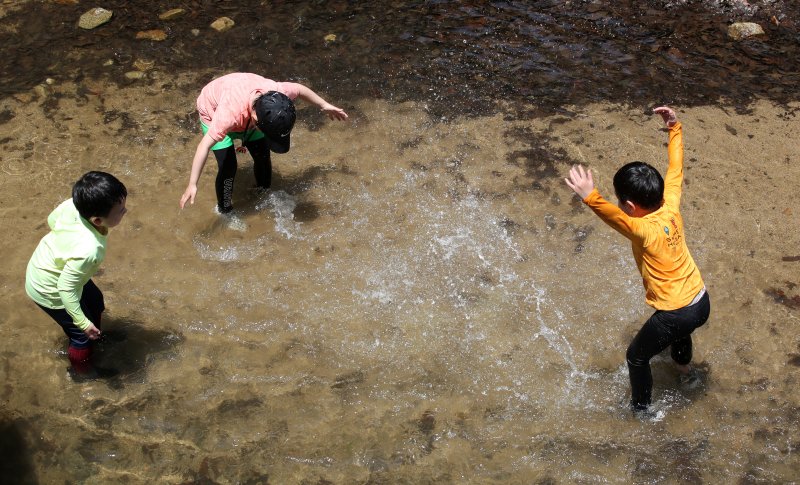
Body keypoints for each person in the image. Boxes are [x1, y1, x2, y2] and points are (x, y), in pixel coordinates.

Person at [564, 106, 710, 414]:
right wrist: (674, 128)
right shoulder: (671, 204)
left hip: (676, 311)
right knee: (681, 333)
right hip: (700, 300)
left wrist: (590, 196)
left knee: (636, 356)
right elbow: (675, 169)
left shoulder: (641, 229)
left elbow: (614, 218)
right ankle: (686, 375)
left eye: (621, 202)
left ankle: (641, 410)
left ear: (630, 205)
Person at [179, 72, 349, 214]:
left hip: (247, 108)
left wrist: (324, 105)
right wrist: (192, 184)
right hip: (213, 109)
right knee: (229, 166)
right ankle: (225, 211)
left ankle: (262, 192)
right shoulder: (227, 116)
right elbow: (204, 145)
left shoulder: (277, 96)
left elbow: (298, 88)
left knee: (262, 155)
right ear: (255, 119)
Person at [25, 171, 128, 379]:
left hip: (53, 267)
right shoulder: (89, 250)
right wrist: (83, 323)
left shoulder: (74, 204)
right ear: (98, 220)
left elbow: (52, 219)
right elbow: (65, 288)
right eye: (120, 211)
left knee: (96, 300)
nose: (126, 210)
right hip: (50, 289)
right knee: (80, 335)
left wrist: (65, 244)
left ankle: (97, 336)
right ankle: (81, 372)